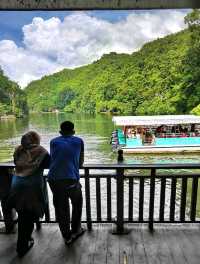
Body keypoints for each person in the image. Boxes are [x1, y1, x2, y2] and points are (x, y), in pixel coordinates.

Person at [7, 131, 50, 257]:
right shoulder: (41, 151)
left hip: (16, 186)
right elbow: (49, 164)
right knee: (30, 215)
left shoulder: (18, 150)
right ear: (36, 139)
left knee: (22, 215)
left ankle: (24, 241)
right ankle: (22, 246)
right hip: (32, 188)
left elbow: (16, 163)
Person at [48, 121, 85, 245]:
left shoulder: (53, 142)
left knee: (61, 208)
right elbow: (80, 163)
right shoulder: (79, 141)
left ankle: (66, 236)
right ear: (73, 131)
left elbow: (54, 158)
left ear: (60, 132)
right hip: (71, 179)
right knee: (77, 203)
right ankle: (76, 230)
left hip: (53, 180)